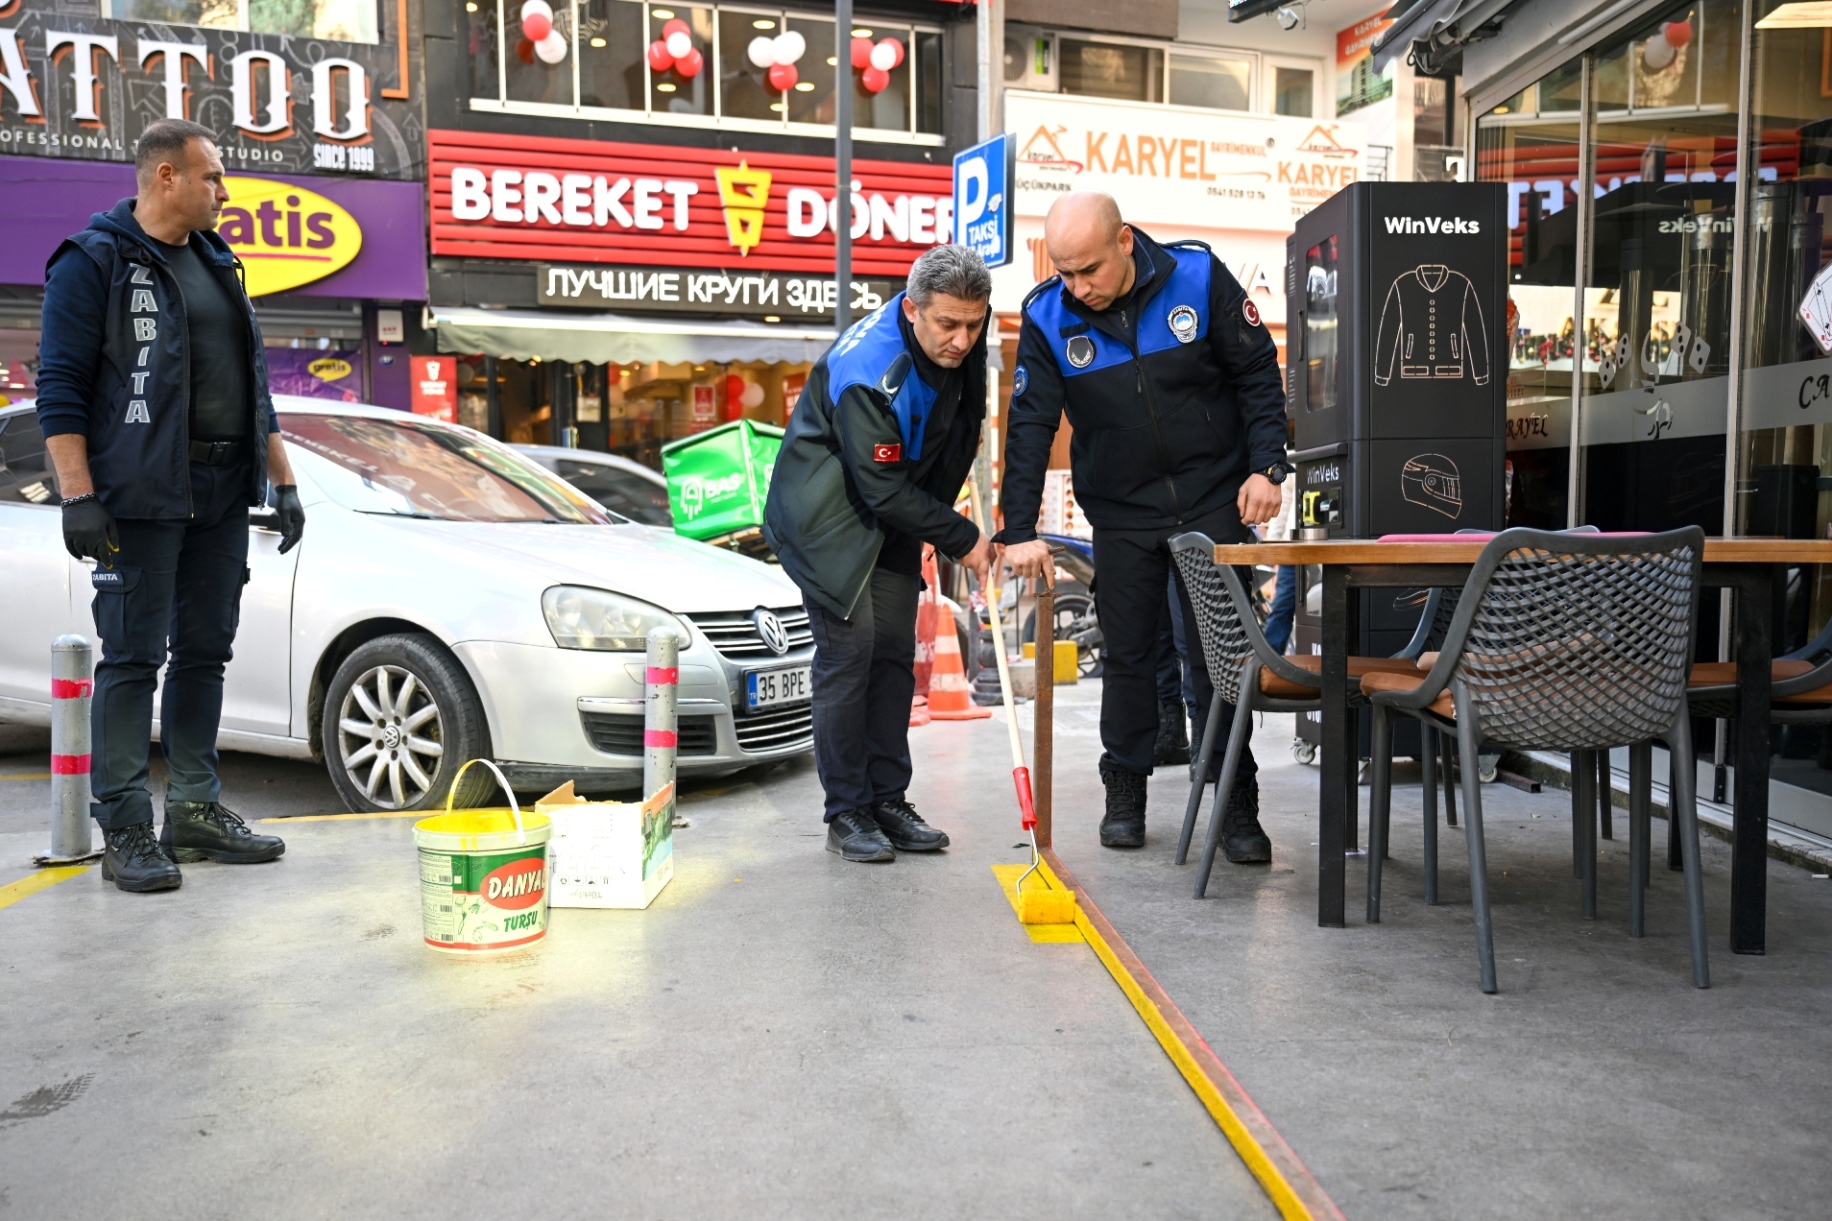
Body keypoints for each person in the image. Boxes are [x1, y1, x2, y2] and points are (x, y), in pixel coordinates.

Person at [36, 118, 302, 893]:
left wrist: (281, 481)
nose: (224, 191)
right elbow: (61, 391)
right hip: (141, 494)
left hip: (221, 491)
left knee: (205, 653)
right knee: (131, 657)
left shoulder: (220, 263)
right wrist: (79, 496)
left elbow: (255, 388)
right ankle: (122, 823)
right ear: (165, 178)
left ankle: (192, 808)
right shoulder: (93, 262)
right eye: (213, 176)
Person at [1000, 192, 1287, 861]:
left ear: (1124, 240)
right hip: (1123, 513)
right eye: (1065, 272)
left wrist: (1267, 467)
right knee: (1128, 657)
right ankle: (1125, 790)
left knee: (1219, 660)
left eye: (1089, 269)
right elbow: (1031, 430)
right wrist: (1018, 527)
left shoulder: (1198, 276)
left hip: (1216, 499)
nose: (1079, 287)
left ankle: (1235, 801)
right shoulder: (1048, 316)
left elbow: (1256, 372)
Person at [764, 245, 996, 862]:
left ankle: (888, 798)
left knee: (894, 653)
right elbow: (880, 487)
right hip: (826, 515)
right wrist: (963, 537)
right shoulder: (870, 369)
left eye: (974, 324)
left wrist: (938, 519)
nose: (962, 339)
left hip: (893, 509)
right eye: (948, 325)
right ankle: (847, 812)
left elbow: (961, 422)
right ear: (913, 309)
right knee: (851, 653)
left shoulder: (964, 332)